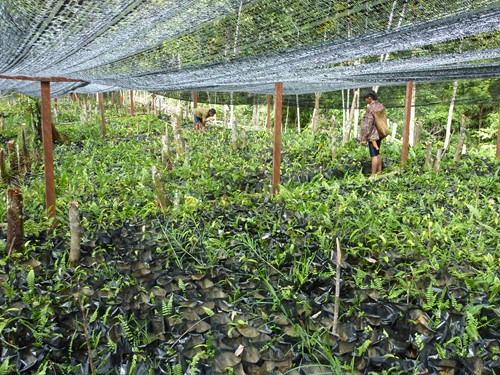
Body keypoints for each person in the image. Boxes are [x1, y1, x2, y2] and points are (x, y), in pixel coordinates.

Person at [359, 89, 384, 177]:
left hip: (373, 135)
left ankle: (373, 175)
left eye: (366, 99)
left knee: (373, 155)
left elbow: (368, 124)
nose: (366, 101)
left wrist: (364, 137)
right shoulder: (380, 106)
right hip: (380, 133)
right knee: (377, 153)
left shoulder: (370, 108)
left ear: (370, 98)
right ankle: (379, 172)